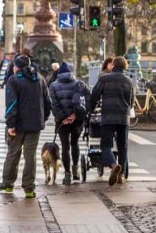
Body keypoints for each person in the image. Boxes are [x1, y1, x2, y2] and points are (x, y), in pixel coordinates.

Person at [0, 54, 51, 198]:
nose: (13, 68)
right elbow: (47, 102)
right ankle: (28, 189)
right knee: (30, 156)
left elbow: (12, 104)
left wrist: (10, 124)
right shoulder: (40, 79)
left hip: (18, 125)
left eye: (14, 65)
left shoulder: (13, 80)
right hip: (35, 125)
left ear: (17, 67)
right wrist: (43, 118)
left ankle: (8, 184)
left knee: (13, 153)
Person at [89, 57, 135, 186]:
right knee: (123, 147)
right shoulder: (129, 81)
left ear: (113, 65)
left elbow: (94, 95)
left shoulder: (104, 79)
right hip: (123, 117)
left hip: (108, 116)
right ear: (125, 66)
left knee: (106, 145)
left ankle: (113, 165)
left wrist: (92, 108)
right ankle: (121, 175)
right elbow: (131, 102)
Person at [49, 62, 90, 185]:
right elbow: (87, 101)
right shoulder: (80, 84)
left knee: (65, 146)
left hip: (62, 122)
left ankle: (67, 175)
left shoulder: (53, 86)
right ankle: (76, 170)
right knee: (75, 143)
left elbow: (54, 105)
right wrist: (76, 115)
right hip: (77, 120)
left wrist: (64, 117)